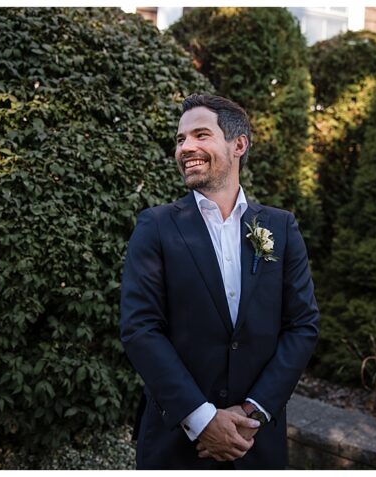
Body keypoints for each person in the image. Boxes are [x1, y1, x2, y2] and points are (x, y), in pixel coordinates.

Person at [119, 94, 319, 469]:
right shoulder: (155, 226)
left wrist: (253, 412)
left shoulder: (280, 227)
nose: (185, 148)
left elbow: (302, 325)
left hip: (255, 441)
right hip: (177, 443)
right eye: (180, 139)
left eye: (201, 135)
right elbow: (139, 328)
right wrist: (203, 419)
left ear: (238, 144)